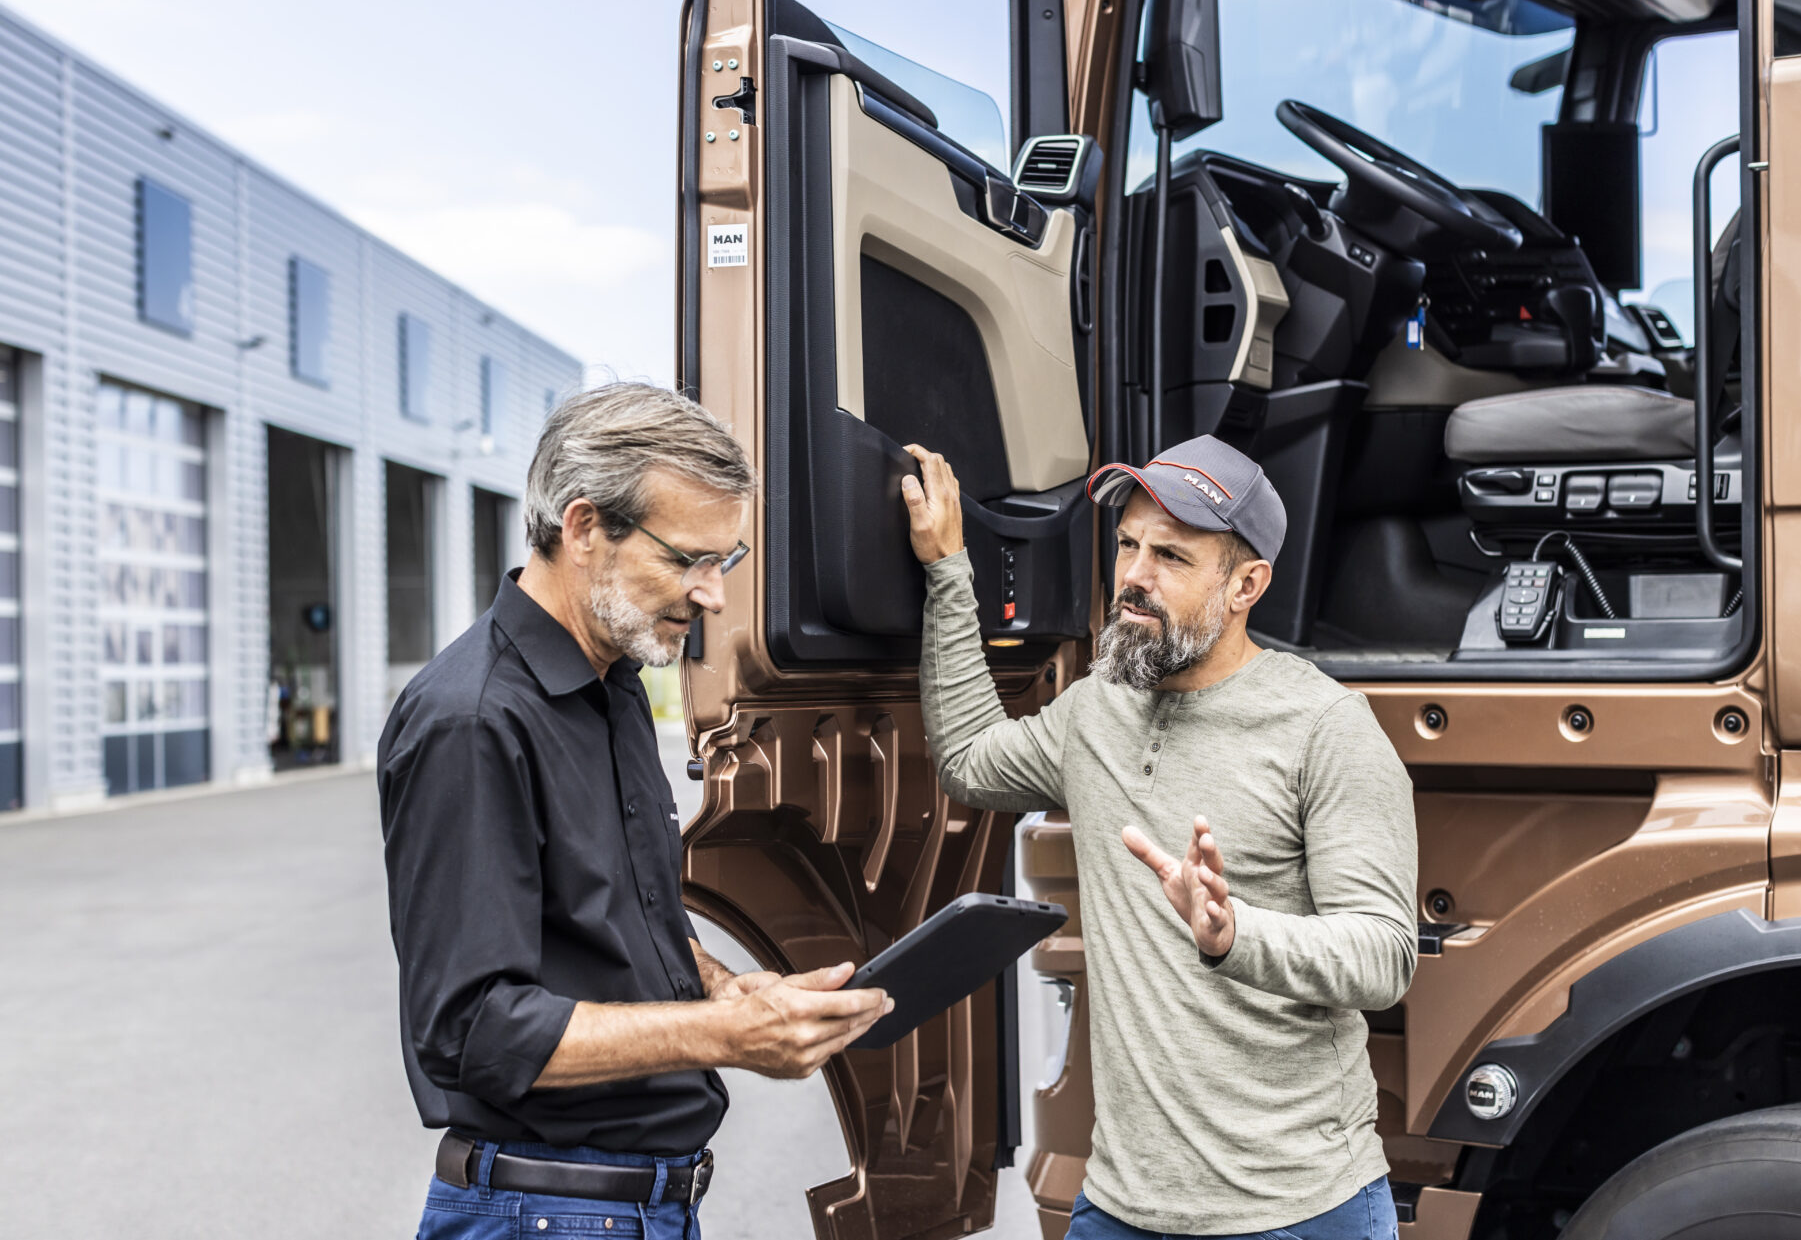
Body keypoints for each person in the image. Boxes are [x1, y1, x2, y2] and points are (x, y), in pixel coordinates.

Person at [380, 384, 891, 1240]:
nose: (712, 594)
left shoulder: (611, 685)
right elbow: (470, 1030)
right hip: (543, 1213)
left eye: (722, 562)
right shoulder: (472, 720)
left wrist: (737, 991)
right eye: (688, 558)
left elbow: (623, 928)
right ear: (583, 529)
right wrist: (724, 1034)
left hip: (637, 1209)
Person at [901, 434, 1417, 1240]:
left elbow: (1384, 954)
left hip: (1297, 1209)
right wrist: (947, 569)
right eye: (1129, 544)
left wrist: (1234, 932)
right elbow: (969, 760)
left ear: (1247, 583)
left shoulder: (1326, 728)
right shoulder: (1097, 708)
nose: (1134, 574)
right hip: (1121, 1205)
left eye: (1171, 555)